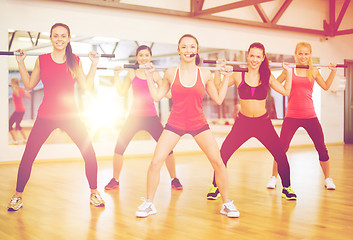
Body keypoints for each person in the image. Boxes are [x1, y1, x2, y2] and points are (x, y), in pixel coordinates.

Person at [135, 34, 239, 218]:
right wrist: (150, 75)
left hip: (198, 122)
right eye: (184, 47)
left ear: (197, 50)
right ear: (178, 50)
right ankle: (149, 203)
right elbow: (158, 96)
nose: (188, 51)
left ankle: (227, 203)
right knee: (156, 161)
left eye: (192, 47)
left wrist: (226, 77)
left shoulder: (205, 73)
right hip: (175, 122)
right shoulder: (170, 72)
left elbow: (219, 99)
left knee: (218, 162)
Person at [7, 23, 105, 211]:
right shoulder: (41, 60)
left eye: (63, 36)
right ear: (50, 38)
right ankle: (17, 196)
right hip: (46, 116)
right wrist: (20, 64)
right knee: (28, 155)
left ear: (68, 38)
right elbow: (28, 85)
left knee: (89, 153)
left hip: (71, 116)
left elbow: (85, 86)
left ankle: (94, 193)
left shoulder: (75, 60)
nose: (59, 39)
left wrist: (94, 65)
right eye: (55, 36)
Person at [207, 42, 297, 201]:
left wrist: (289, 73)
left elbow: (286, 91)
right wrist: (218, 71)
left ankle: (287, 188)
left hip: (263, 123)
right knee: (223, 154)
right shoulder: (237, 74)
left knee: (280, 155)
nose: (254, 59)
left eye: (258, 56)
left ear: (263, 58)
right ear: (247, 56)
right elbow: (217, 87)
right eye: (252, 55)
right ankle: (216, 186)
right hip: (243, 123)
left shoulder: (267, 76)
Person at [104, 45, 183, 191]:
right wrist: (116, 75)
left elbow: (169, 94)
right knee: (119, 148)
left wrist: (168, 78)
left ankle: (174, 179)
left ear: (150, 57)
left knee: (167, 148)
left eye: (146, 55)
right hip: (134, 117)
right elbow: (121, 92)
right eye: (141, 55)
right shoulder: (132, 74)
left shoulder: (154, 75)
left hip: (151, 117)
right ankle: (115, 179)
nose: (143, 58)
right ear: (137, 57)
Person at [266, 42, 337, 190]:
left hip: (310, 115)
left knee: (321, 148)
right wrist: (268, 68)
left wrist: (333, 71)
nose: (303, 57)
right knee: (281, 148)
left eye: (306, 54)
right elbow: (274, 84)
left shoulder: (314, 71)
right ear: (295, 54)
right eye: (300, 53)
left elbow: (326, 86)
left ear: (310, 54)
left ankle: (328, 179)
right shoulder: (289, 70)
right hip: (292, 115)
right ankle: (273, 177)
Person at [9, 77, 31, 144]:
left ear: (14, 83)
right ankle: (24, 139)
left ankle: (15, 140)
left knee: (9, 125)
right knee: (16, 125)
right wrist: (23, 90)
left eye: (11, 82)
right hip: (20, 110)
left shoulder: (16, 89)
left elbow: (18, 95)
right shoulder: (20, 89)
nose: (11, 84)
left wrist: (13, 88)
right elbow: (28, 96)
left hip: (19, 110)